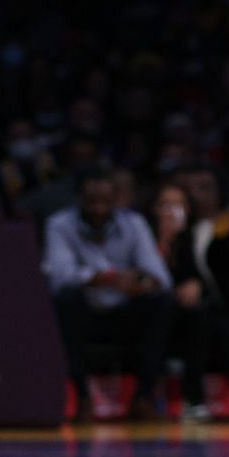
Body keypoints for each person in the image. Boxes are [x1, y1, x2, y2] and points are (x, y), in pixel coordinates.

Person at [42, 169, 176, 421]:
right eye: (92, 201)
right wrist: (104, 278)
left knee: (161, 303)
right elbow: (60, 276)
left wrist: (141, 283)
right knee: (64, 300)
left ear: (116, 199)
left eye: (105, 201)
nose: (99, 209)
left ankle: (144, 398)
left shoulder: (134, 224)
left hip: (123, 313)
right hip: (84, 313)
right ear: (80, 199)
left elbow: (161, 279)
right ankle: (81, 396)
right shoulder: (60, 225)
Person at [154, 181, 229, 421]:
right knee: (197, 316)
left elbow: (193, 277)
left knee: (206, 316)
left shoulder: (190, 237)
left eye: (178, 204)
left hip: (187, 314)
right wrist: (164, 241)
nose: (172, 210)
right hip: (151, 312)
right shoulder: (143, 233)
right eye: (166, 204)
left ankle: (220, 395)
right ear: (154, 208)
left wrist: (195, 284)